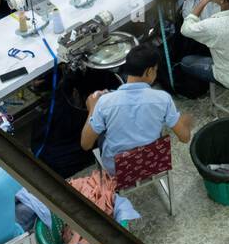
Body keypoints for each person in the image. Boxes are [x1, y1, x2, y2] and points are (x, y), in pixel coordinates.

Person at [81, 45, 193, 174]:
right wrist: (185, 122)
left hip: (118, 170)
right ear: (149, 71)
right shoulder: (163, 99)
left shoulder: (105, 102)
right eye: (155, 70)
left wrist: (93, 108)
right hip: (153, 162)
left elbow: (86, 144)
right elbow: (185, 137)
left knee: (102, 128)